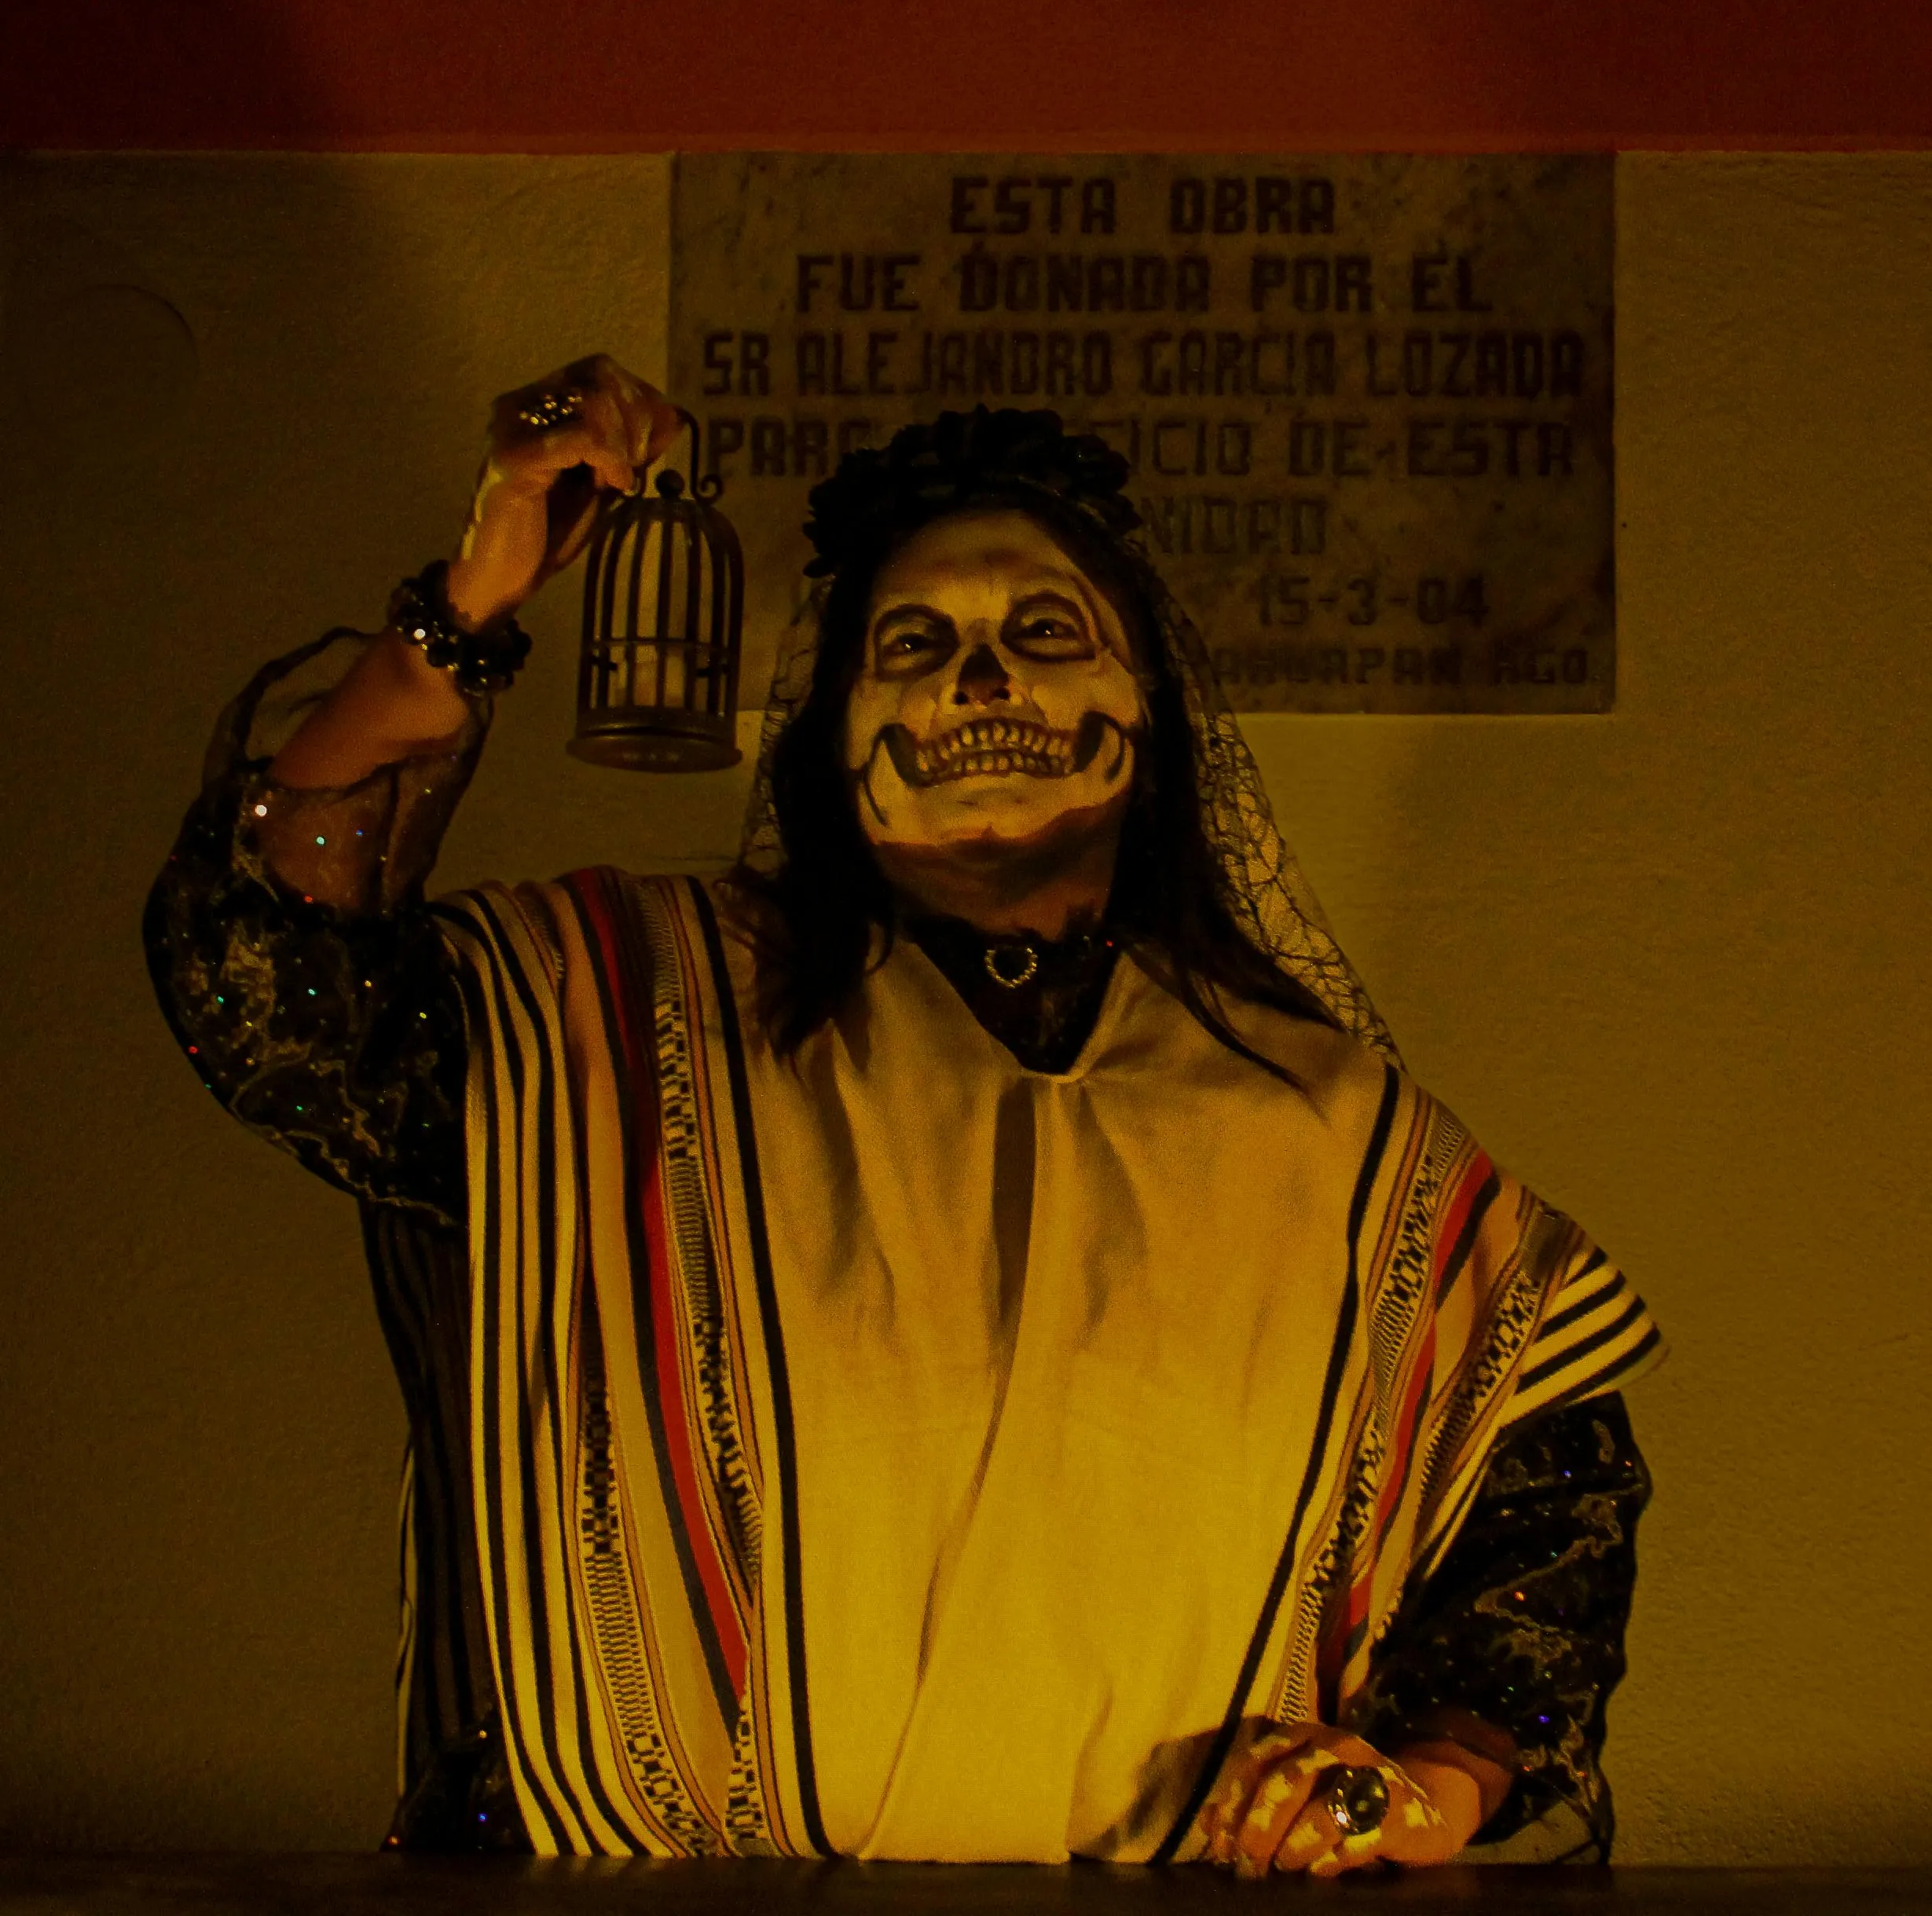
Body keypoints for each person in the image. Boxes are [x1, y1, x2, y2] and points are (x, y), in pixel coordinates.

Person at [146, 360, 1661, 1870]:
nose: (978, 682)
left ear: (1151, 710)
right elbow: (267, 987)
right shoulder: (606, 1019)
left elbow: (1550, 1493)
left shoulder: (1325, 1132)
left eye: (1042, 634)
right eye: (914, 642)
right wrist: (460, 614)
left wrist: (1419, 1791)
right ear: (831, 730)